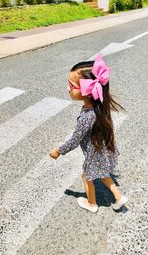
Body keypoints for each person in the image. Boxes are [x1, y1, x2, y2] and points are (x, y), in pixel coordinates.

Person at [49, 55, 128, 213]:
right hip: (102, 150)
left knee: (87, 177)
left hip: (95, 154)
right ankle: (118, 197)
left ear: (87, 91)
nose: (68, 89)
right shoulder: (99, 107)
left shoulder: (87, 116)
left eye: (72, 86)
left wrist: (59, 151)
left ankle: (92, 204)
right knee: (103, 173)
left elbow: (75, 140)